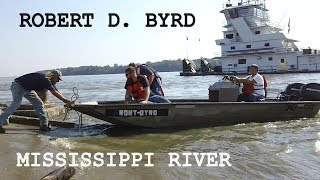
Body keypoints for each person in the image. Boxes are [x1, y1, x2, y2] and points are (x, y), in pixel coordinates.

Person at [0, 70, 74, 133]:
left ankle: (44, 125)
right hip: (18, 86)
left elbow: (56, 91)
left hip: (28, 89)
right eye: (58, 79)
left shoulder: (49, 81)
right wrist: (65, 101)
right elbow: (54, 93)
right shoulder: (46, 79)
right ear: (53, 76)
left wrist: (67, 101)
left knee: (39, 103)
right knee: (16, 104)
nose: (58, 81)